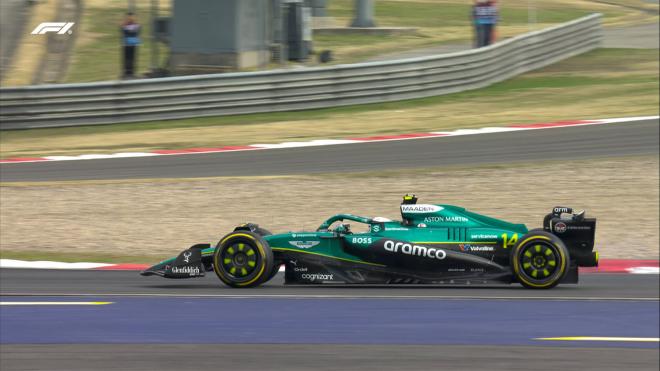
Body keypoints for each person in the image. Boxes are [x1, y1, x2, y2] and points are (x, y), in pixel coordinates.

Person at [120, 12, 141, 78]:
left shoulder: (136, 25)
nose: (130, 18)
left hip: (133, 43)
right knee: (126, 58)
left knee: (133, 58)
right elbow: (124, 31)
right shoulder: (124, 25)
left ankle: (132, 72)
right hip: (126, 44)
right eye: (129, 17)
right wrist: (129, 30)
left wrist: (128, 30)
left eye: (132, 17)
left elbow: (136, 31)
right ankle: (126, 72)